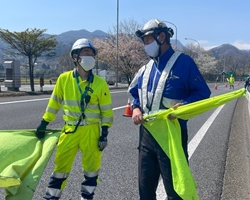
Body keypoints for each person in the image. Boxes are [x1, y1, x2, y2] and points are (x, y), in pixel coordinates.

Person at [128, 19, 211, 200]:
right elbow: (133, 92)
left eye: (148, 40)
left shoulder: (184, 62)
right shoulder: (146, 68)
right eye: (144, 41)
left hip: (172, 136)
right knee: (145, 191)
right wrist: (135, 108)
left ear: (162, 37)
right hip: (147, 137)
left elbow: (203, 92)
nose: (145, 45)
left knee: (176, 192)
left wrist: (186, 104)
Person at [35, 38, 114, 200]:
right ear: (75, 57)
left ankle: (87, 197)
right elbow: (54, 103)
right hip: (69, 130)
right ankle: (52, 197)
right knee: (60, 167)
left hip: (92, 131)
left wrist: (104, 132)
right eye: (86, 53)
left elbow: (106, 111)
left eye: (92, 54)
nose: (90, 56)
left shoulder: (100, 83)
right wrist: (44, 122)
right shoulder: (64, 79)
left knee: (91, 169)